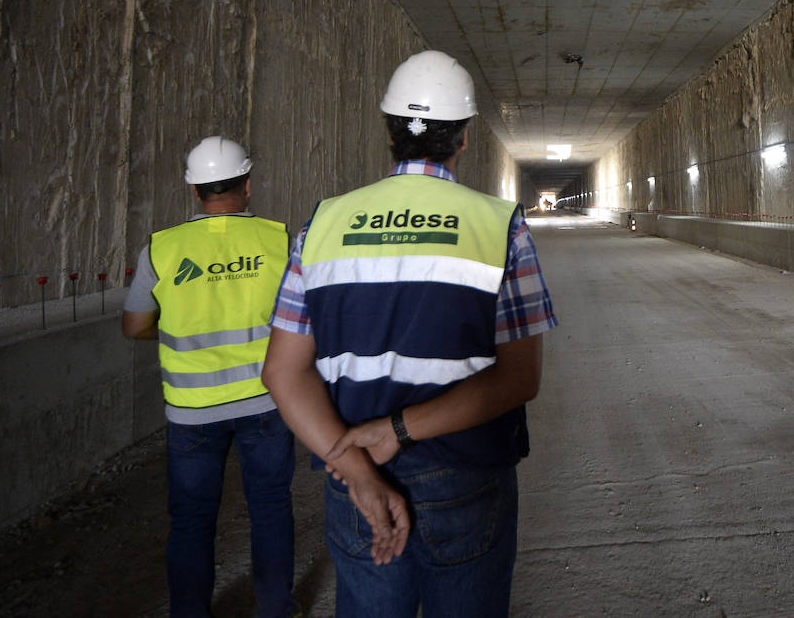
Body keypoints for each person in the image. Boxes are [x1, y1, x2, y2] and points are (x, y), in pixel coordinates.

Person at [262, 50, 557, 617]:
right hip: (465, 472)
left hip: (357, 475)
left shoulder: (321, 225)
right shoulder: (499, 226)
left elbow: (282, 371)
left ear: (389, 130)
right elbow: (519, 377)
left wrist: (355, 467)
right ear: (465, 138)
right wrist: (398, 429)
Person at [122, 136, 295, 618]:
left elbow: (134, 325)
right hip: (265, 402)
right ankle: (276, 609)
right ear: (248, 184)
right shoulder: (278, 240)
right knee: (270, 510)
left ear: (194, 192)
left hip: (191, 412)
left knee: (192, 521)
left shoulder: (161, 247)